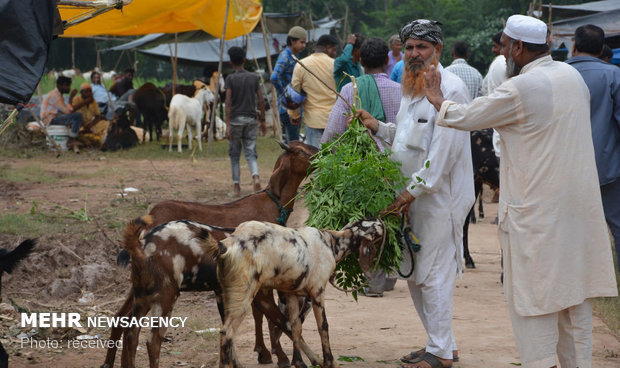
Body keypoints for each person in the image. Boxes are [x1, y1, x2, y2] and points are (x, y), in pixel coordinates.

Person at [424, 14, 618, 368]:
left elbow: (469, 116)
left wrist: (438, 99)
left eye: (505, 45)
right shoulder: (571, 76)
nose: (504, 53)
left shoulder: (522, 87)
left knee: (534, 305)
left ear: (516, 47)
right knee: (575, 303)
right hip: (575, 216)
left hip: (538, 219)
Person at [353, 19, 474, 368]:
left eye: (422, 47)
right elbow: (405, 139)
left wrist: (410, 193)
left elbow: (443, 156)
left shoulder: (450, 89)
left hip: (437, 199)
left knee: (433, 275)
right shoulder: (408, 87)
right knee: (413, 274)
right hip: (408, 197)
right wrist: (378, 127)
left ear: (437, 49)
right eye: (409, 47)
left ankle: (439, 352)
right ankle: (440, 344)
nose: (414, 53)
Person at [322, 37, 402, 297]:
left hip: (361, 166)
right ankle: (388, 274)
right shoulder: (399, 90)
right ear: (386, 61)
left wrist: (327, 158)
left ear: (361, 61)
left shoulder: (350, 90)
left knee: (369, 222)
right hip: (395, 165)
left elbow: (333, 131)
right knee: (390, 216)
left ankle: (374, 279)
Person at [566, 24, 620, 270]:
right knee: (617, 226)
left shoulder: (559, 74)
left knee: (566, 229)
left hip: (563, 169)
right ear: (601, 50)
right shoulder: (613, 76)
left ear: (574, 46)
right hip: (607, 167)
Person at [224, 46, 266, 197]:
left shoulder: (230, 79)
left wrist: (227, 124)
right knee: (251, 153)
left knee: (234, 155)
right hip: (250, 120)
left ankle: (236, 187)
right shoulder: (254, 77)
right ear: (244, 60)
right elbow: (260, 99)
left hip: (235, 120)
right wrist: (262, 121)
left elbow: (228, 102)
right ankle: (255, 176)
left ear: (230, 62)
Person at [289, 34, 339, 148]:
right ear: (328, 48)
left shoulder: (302, 64)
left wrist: (295, 115)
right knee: (335, 161)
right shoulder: (336, 65)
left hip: (313, 120)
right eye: (334, 50)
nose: (335, 53)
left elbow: (295, 93)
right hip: (334, 120)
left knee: (316, 160)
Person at [270, 26, 307, 143]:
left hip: (292, 106)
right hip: (289, 107)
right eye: (302, 42)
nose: (304, 45)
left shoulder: (294, 56)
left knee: (290, 143)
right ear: (292, 41)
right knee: (294, 144)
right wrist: (285, 94)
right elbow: (274, 77)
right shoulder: (286, 56)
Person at [40, 76, 84, 150]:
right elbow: (67, 111)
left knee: (75, 117)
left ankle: (72, 137)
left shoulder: (60, 96)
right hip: (50, 120)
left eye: (69, 85)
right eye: (67, 85)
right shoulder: (54, 96)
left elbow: (65, 110)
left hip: (54, 118)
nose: (69, 88)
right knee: (78, 116)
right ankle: (72, 139)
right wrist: (71, 98)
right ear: (59, 86)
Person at [483, 31, 507, 158]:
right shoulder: (504, 63)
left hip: (498, 133)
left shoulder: (497, 63)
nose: (493, 50)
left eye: (495, 46)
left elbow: (485, 89)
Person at [71, 82, 111, 147]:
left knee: (106, 123)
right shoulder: (76, 99)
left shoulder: (93, 102)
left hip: (90, 125)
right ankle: (85, 134)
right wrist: (85, 102)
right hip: (79, 125)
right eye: (86, 92)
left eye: (90, 92)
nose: (89, 94)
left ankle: (101, 138)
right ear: (81, 93)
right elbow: (72, 111)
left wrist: (91, 124)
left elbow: (97, 116)